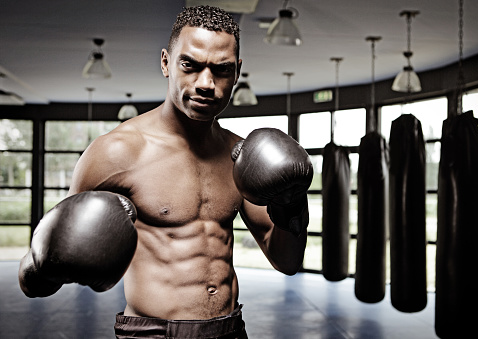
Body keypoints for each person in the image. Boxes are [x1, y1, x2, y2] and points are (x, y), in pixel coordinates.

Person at [18, 5, 313, 339]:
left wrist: (291, 204)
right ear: (165, 63)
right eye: (190, 65)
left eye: (222, 70)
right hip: (152, 333)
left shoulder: (242, 157)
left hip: (230, 329)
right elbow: (35, 275)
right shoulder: (116, 152)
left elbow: (286, 262)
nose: (206, 83)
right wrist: (44, 267)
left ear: (237, 71)